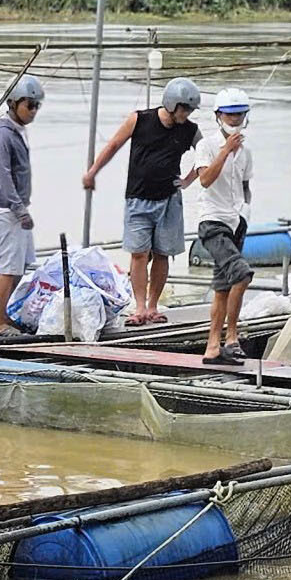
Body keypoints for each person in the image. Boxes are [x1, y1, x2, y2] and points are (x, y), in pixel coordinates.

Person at [83, 77, 203, 325]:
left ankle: (152, 306)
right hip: (138, 198)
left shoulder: (189, 130)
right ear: (172, 104)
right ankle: (138, 308)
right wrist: (93, 172)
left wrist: (189, 180)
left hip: (169, 199)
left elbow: (206, 154)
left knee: (162, 253)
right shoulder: (140, 119)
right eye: (185, 108)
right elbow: (114, 145)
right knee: (139, 253)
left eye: (190, 110)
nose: (187, 114)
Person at [192, 87, 255, 366]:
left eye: (239, 114)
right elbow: (205, 180)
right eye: (229, 115)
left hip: (235, 222)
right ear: (218, 116)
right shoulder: (206, 145)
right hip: (212, 222)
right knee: (242, 274)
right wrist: (226, 150)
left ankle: (212, 348)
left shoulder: (246, 151)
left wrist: (244, 211)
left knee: (223, 287)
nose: (235, 119)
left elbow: (245, 186)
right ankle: (232, 339)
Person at [0, 76, 44, 337]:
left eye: (36, 106)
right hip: (7, 208)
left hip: (17, 207)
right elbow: (2, 174)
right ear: (13, 103)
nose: (33, 111)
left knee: (21, 264)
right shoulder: (2, 134)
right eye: (29, 105)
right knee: (8, 266)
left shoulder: (17, 131)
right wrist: (19, 209)